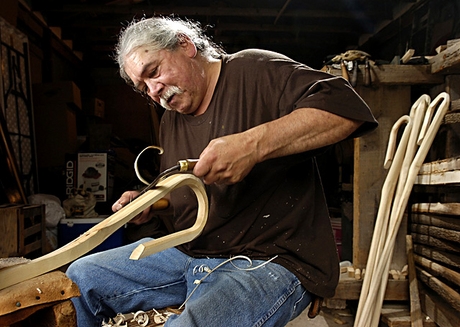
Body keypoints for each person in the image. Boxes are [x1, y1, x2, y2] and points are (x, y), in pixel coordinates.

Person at [67, 16, 378, 327]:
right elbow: (188, 189)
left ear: (185, 45)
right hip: (191, 253)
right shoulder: (171, 120)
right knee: (80, 280)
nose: (153, 91)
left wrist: (252, 145)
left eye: (154, 72)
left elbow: (345, 110)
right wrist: (150, 201)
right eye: (142, 86)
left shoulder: (253, 69)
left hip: (269, 259)